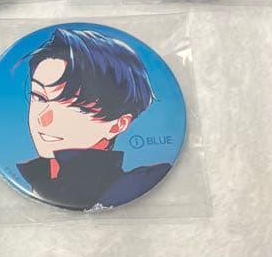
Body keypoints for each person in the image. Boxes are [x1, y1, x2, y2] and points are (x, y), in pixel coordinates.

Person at [17, 27, 171, 210]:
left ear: (118, 125)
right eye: (39, 97)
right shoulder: (39, 178)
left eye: (74, 106)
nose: (44, 119)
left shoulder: (137, 183)